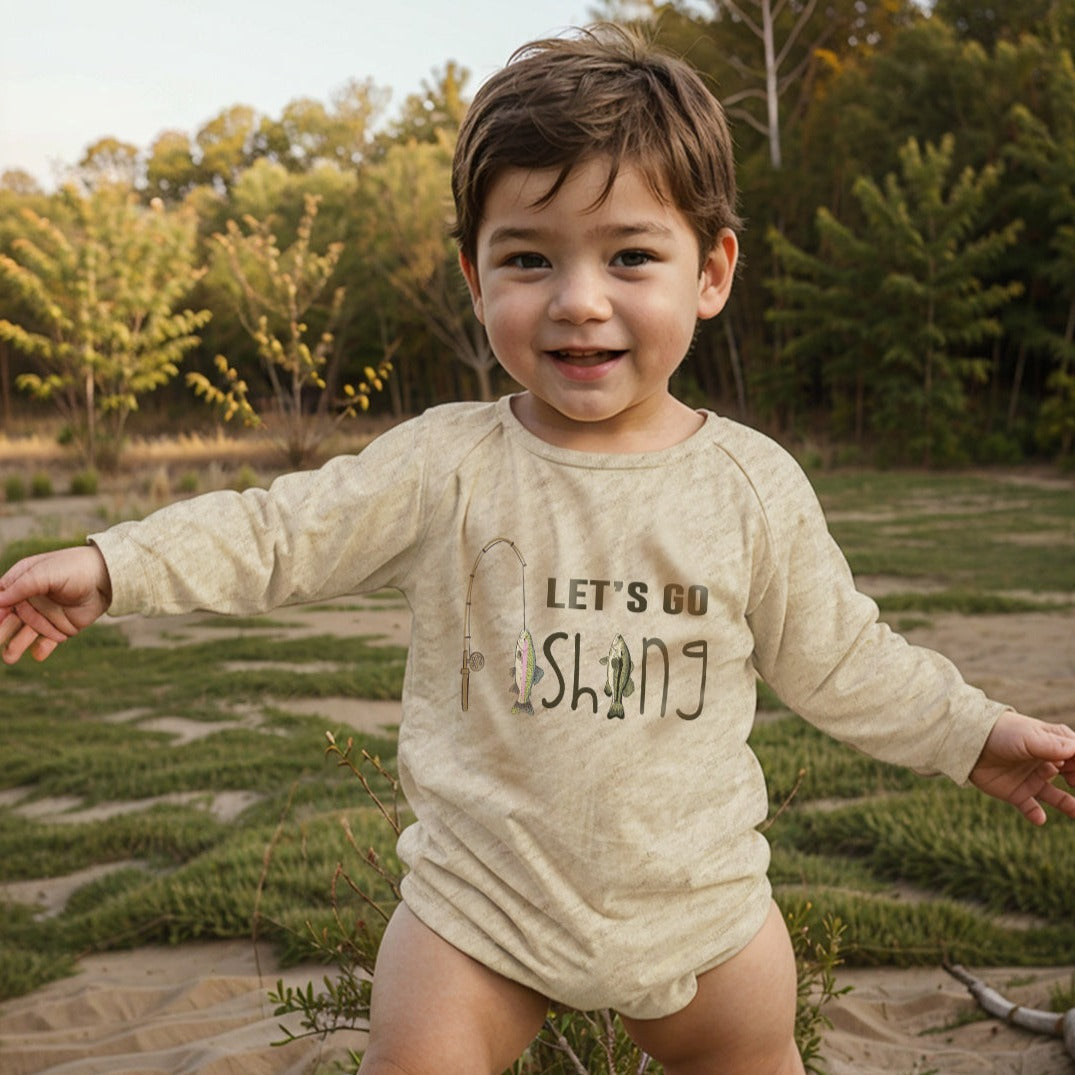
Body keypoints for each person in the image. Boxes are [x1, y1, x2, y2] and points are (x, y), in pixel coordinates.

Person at [2, 25, 1074, 1075]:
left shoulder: (748, 484)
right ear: (475, 277)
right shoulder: (446, 463)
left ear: (711, 271)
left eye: (630, 255)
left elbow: (843, 658)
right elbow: (282, 530)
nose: (577, 299)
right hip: (479, 915)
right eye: (528, 257)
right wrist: (116, 562)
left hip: (703, 914)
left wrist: (973, 735)